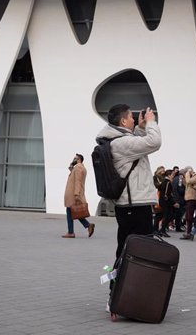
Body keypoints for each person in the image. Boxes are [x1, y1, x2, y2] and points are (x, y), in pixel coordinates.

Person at [96, 104, 161, 259]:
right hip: (135, 206)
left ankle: (121, 281)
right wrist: (151, 122)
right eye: (131, 117)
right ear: (124, 121)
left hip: (130, 206)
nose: (134, 119)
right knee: (138, 249)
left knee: (127, 246)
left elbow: (135, 145)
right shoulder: (121, 143)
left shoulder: (117, 141)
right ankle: (127, 281)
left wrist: (140, 128)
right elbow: (154, 142)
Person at [62, 154, 94, 238]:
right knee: (73, 212)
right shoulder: (79, 168)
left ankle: (71, 232)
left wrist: (76, 194)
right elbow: (74, 176)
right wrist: (72, 165)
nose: (73, 159)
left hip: (73, 194)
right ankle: (87, 226)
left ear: (79, 159)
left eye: (75, 158)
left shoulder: (78, 168)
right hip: (73, 194)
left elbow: (78, 182)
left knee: (72, 212)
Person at [155, 169, 179, 237]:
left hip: (162, 201)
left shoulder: (163, 181)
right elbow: (168, 194)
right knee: (168, 216)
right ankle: (162, 230)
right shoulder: (168, 182)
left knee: (160, 215)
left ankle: (156, 230)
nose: (173, 176)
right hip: (166, 202)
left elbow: (159, 189)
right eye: (173, 174)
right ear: (169, 175)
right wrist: (174, 203)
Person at [180, 167, 196, 240]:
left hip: (192, 198)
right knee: (188, 216)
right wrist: (183, 178)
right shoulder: (191, 177)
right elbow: (186, 184)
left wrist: (188, 174)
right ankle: (188, 232)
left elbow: (188, 181)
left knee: (189, 216)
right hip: (189, 198)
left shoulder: (195, 176)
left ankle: (189, 233)